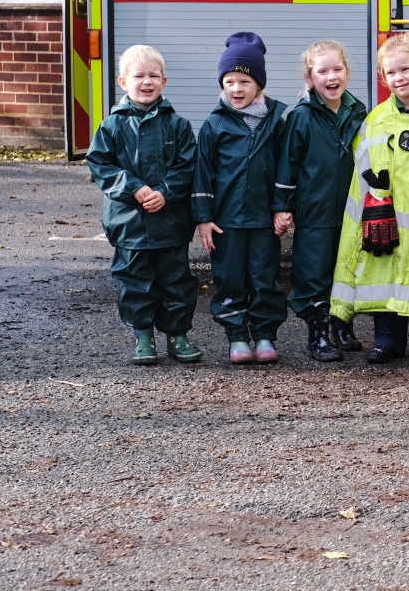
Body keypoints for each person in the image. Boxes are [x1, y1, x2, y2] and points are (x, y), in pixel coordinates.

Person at [331, 32, 409, 365]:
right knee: (382, 275)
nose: (399, 78)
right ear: (383, 78)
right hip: (383, 224)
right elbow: (360, 184)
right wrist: (366, 214)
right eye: (391, 73)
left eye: (405, 69)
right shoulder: (375, 122)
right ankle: (388, 337)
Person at [86, 45, 201, 366]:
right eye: (139, 76)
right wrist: (134, 188)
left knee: (176, 281)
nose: (146, 81)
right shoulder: (111, 126)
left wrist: (166, 192)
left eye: (153, 76)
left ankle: (178, 336)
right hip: (129, 224)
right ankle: (143, 336)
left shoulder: (178, 126)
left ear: (164, 81)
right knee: (135, 282)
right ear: (123, 82)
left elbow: (188, 165)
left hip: (171, 223)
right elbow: (100, 165)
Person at [193, 32, 290, 366]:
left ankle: (264, 334)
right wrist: (204, 218)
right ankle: (236, 337)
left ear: (259, 85)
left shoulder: (277, 122)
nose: (236, 89)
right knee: (230, 278)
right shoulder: (214, 125)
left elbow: (284, 167)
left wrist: (281, 207)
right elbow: (202, 174)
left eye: (245, 81)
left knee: (265, 277)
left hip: (264, 219)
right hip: (226, 221)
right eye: (230, 81)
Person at [275, 40, 368, 362]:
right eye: (322, 71)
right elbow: (288, 165)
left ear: (347, 72)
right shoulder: (301, 116)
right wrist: (282, 206)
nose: (331, 77)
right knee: (312, 273)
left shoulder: (359, 113)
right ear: (309, 77)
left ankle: (342, 324)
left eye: (337, 69)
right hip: (314, 212)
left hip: (352, 211)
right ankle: (318, 333)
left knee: (348, 270)